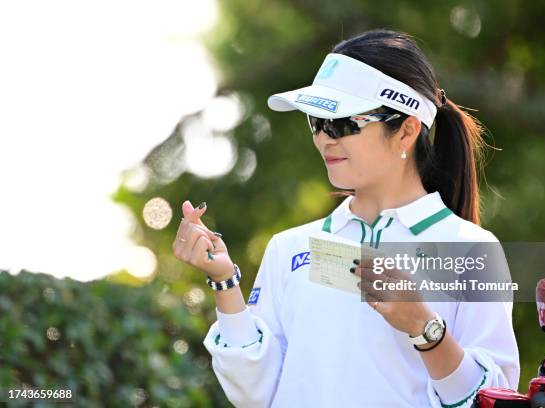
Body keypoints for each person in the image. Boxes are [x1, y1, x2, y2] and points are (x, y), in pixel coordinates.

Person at [172, 29, 519, 408]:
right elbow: (257, 394)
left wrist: (424, 329)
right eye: (317, 122)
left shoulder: (470, 249)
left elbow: (490, 399)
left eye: (341, 124)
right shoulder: (290, 249)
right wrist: (225, 282)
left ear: (406, 131)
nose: (324, 139)